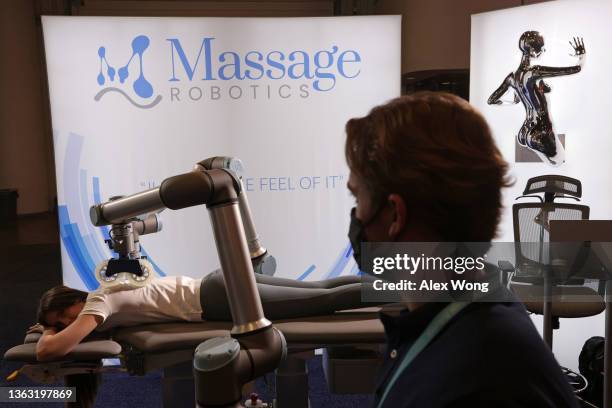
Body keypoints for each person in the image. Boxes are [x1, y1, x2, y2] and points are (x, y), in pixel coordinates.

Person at [345, 92, 579, 407]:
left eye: (356, 199)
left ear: (395, 215)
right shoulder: (466, 317)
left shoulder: (480, 381)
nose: (356, 217)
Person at [34, 271, 368, 362]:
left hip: (218, 299)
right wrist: (53, 327)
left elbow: (50, 351)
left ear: (74, 300)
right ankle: (411, 278)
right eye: (59, 323)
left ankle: (414, 283)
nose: (67, 324)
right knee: (322, 290)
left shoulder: (97, 303)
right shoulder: (103, 296)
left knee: (325, 298)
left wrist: (49, 334)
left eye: (63, 316)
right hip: (214, 285)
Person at [487, 31, 585, 167]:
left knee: (546, 165)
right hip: (541, 130)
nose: (543, 50)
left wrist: (514, 100)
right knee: (560, 162)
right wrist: (581, 56)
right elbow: (576, 69)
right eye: (541, 48)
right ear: (533, 51)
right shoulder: (534, 72)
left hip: (525, 130)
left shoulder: (512, 78)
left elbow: (492, 100)